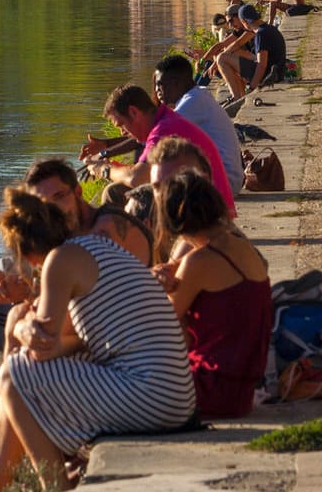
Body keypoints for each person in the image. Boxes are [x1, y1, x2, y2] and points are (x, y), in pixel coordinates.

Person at [0, 190, 194, 491]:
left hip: (151, 397)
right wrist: (30, 327)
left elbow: (41, 348)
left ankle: (51, 487)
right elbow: (70, 342)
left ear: (27, 256)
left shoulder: (60, 261)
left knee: (13, 375)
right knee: (21, 372)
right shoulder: (96, 248)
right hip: (175, 396)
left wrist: (20, 328)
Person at [0, 158, 151, 439]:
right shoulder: (64, 240)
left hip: (118, 352)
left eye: (60, 197)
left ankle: (7, 442)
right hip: (99, 342)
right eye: (44, 204)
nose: (54, 209)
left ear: (78, 193)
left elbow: (95, 316)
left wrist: (25, 307)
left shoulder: (105, 231)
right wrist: (25, 294)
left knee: (18, 348)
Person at [152, 172, 271, 418]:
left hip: (210, 389)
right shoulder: (239, 246)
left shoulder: (199, 262)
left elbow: (159, 329)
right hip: (240, 391)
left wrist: (155, 286)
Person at [82, 85, 235, 212]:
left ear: (134, 112)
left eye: (121, 124)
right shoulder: (164, 121)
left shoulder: (164, 129)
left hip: (211, 213)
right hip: (204, 203)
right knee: (117, 191)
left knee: (115, 194)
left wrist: (104, 169)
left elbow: (137, 178)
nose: (122, 132)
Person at [153, 54, 241, 196]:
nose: (157, 91)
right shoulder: (198, 95)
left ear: (175, 83)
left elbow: (156, 134)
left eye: (160, 85)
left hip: (224, 183)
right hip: (228, 180)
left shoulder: (193, 102)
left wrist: (108, 148)